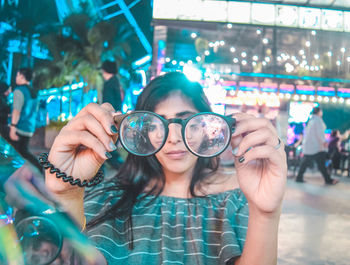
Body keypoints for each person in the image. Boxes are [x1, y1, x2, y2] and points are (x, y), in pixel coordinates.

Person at [44, 72, 287, 265]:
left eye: (187, 121)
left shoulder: (238, 200)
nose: (173, 138)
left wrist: (266, 214)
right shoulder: (109, 199)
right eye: (155, 123)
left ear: (206, 126)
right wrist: (65, 194)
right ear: (142, 133)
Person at [8, 68, 41, 172]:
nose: (16, 78)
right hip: (29, 126)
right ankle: (36, 168)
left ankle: (37, 168)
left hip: (20, 126)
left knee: (16, 152)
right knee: (22, 151)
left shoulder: (19, 91)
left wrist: (13, 127)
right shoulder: (33, 92)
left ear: (22, 77)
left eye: (17, 75)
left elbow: (17, 111)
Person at [295, 107, 338, 185]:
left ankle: (299, 177)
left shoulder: (311, 121)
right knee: (320, 164)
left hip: (309, 146)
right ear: (319, 112)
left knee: (306, 163)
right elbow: (320, 133)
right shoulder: (317, 121)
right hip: (316, 147)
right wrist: (324, 142)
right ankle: (328, 180)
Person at [101, 60, 124, 170]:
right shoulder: (116, 82)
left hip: (110, 119)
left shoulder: (109, 84)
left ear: (105, 70)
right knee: (111, 147)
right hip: (117, 117)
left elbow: (108, 104)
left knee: (107, 146)